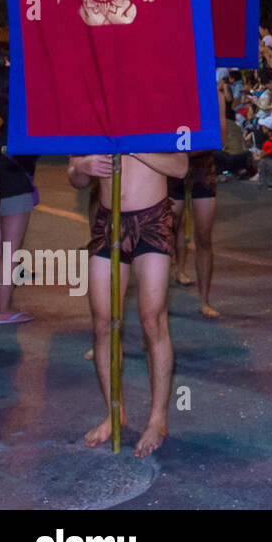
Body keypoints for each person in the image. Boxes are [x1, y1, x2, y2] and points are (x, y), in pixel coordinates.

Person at [68, 150, 189, 457]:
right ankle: (114, 413)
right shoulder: (93, 114)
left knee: (153, 319)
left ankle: (157, 420)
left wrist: (135, 147)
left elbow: (180, 166)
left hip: (153, 220)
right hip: (109, 222)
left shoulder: (154, 106)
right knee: (103, 323)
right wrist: (83, 165)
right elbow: (76, 179)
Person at [0, 113, 38, 325]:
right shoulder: (19, 115)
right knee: (10, 252)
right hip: (13, 183)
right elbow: (17, 152)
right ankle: (1, 310)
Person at [166, 152, 221, 318]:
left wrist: (184, 147)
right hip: (173, 166)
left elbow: (219, 138)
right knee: (169, 232)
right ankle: (162, 298)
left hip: (202, 170)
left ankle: (204, 301)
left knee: (204, 237)